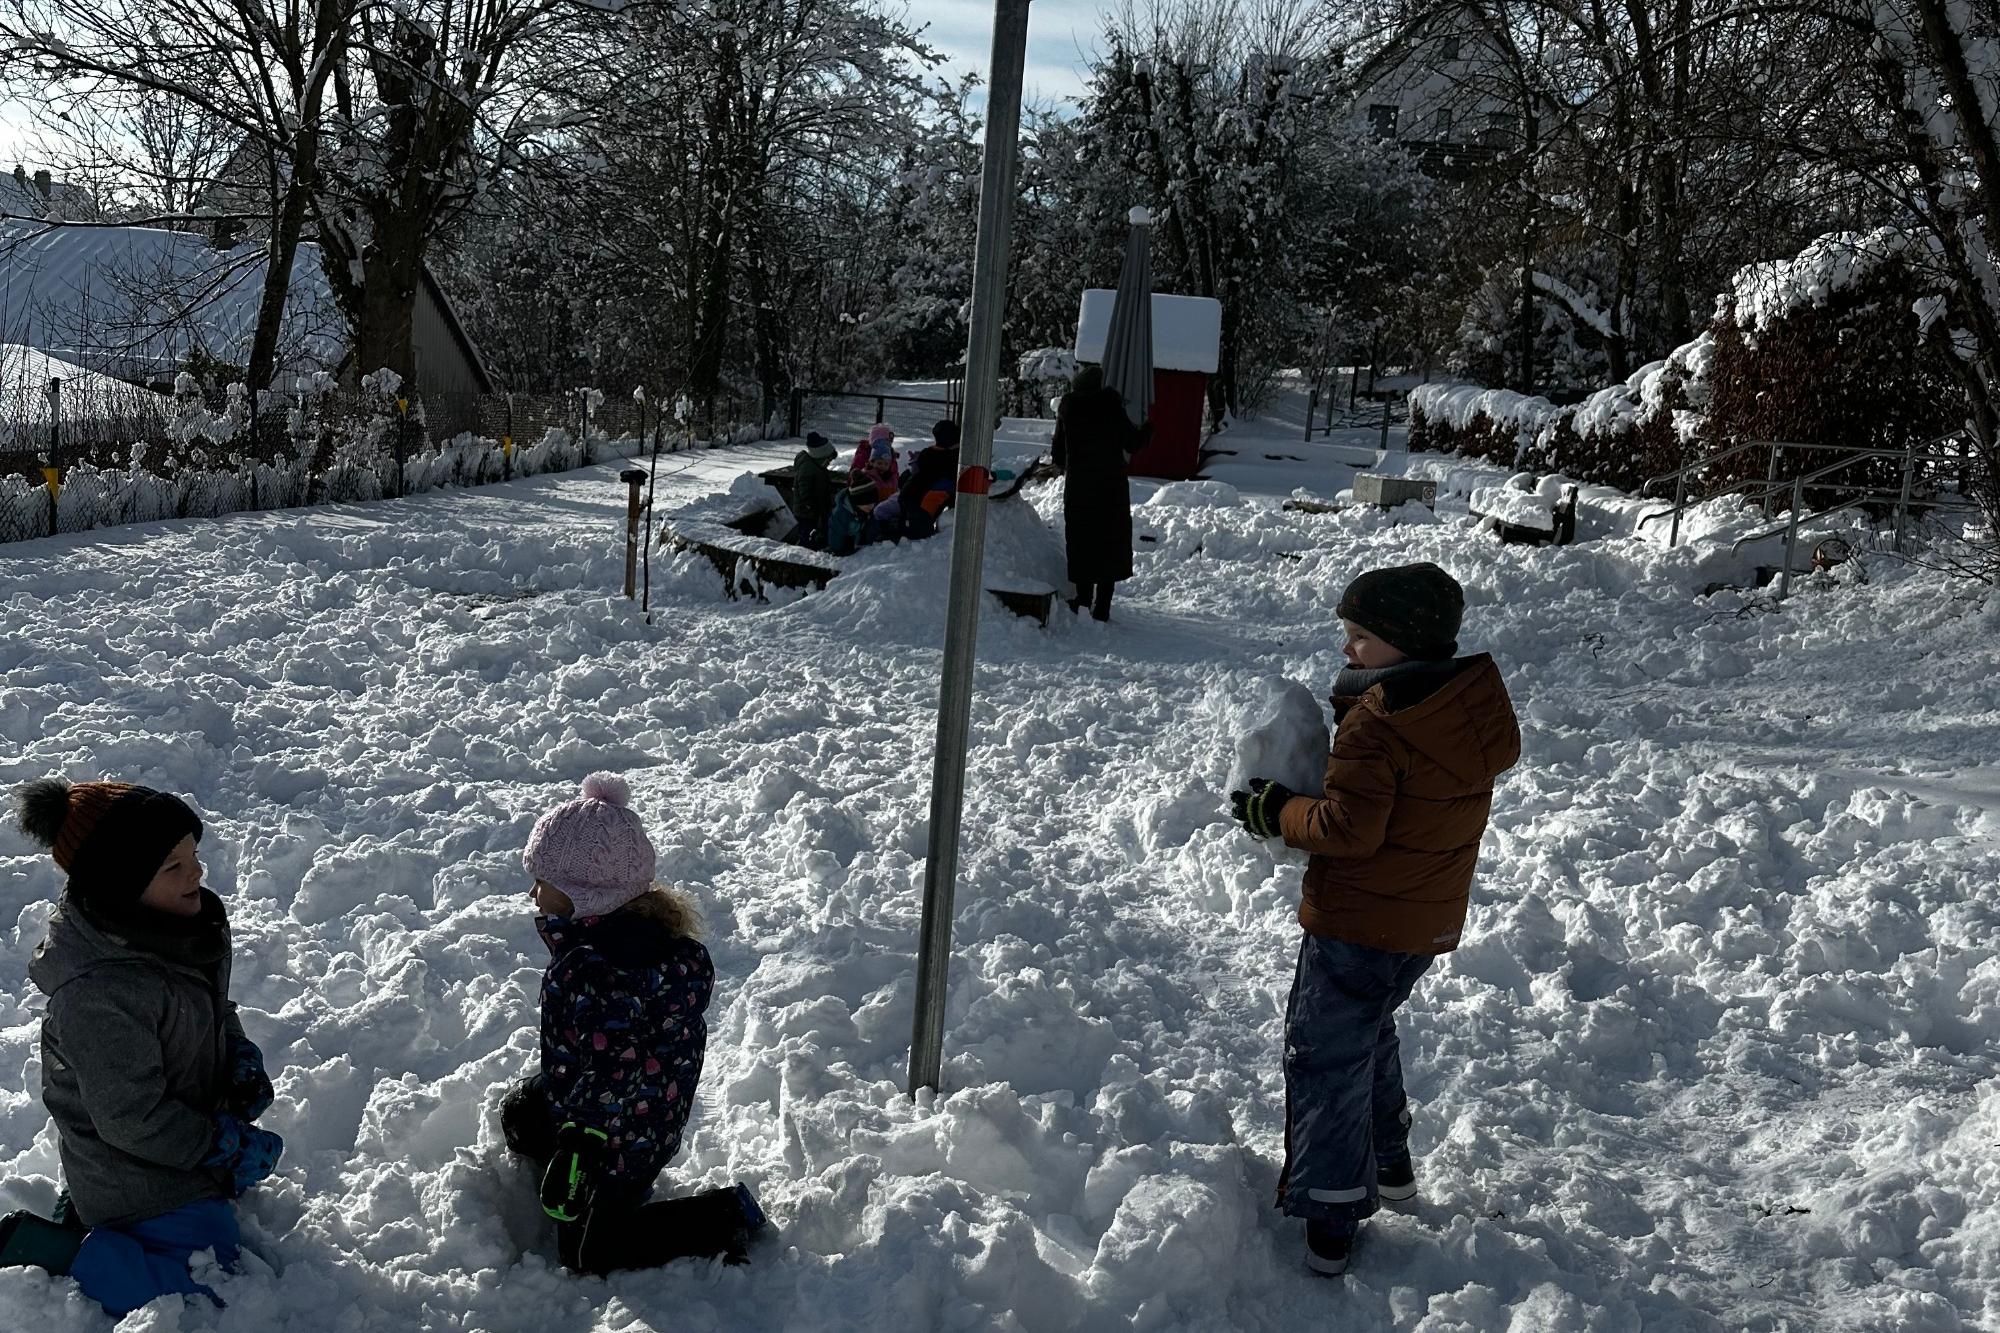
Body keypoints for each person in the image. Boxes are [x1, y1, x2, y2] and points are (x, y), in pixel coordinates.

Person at [1229, 565, 1520, 1278]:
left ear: (1405, 644)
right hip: (1419, 920)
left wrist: (1275, 810)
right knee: (1366, 1029)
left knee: (1323, 1053)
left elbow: (1347, 826)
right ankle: (1390, 1166)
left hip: (1357, 918)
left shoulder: (1382, 722)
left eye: (1360, 638)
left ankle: (1331, 1213)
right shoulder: (1456, 711)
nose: (1347, 651)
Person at [2, 778, 284, 1317]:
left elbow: (213, 1007)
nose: (196, 873)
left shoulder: (177, 926)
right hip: (135, 1168)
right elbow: (132, 1118)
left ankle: (87, 1213)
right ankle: (57, 1252)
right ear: (120, 888)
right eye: (171, 868)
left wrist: (239, 1058)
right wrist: (220, 1147)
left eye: (192, 856)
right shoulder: (99, 992)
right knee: (211, 1288)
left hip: (175, 1143)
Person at [502, 773, 763, 1274]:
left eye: (544, 883)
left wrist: (582, 1143)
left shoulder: (601, 971)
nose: (534, 894)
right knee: (521, 1114)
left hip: (623, 1136)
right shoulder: (629, 939)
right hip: (633, 1104)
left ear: (585, 893)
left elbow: (614, 1070)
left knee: (588, 1253)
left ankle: (724, 1214)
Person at [1051, 366, 1147, 620]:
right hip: (1110, 487)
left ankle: (1083, 601)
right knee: (1109, 542)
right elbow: (1133, 443)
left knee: (1082, 539)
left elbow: (1058, 454)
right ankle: (1103, 606)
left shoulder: (1068, 408)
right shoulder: (1112, 406)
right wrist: (1147, 429)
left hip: (1080, 487)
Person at [891, 419, 962, 540]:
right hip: (921, 504)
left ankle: (898, 528)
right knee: (918, 536)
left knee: (907, 523)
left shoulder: (928, 452)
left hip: (909, 494)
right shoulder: (951, 459)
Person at [786, 432, 840, 548]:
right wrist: (809, 504)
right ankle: (804, 551)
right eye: (828, 460)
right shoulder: (808, 468)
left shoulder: (817, 466)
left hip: (815, 508)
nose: (829, 463)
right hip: (806, 510)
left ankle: (814, 545)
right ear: (820, 457)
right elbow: (804, 489)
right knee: (807, 532)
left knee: (815, 531)